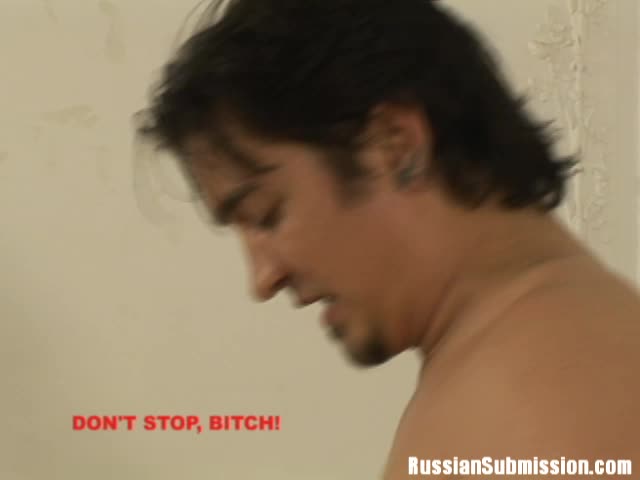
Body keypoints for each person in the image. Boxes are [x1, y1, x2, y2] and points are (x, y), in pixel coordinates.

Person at [135, 0, 640, 477]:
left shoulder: (546, 407)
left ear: (395, 145)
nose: (263, 279)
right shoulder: (540, 354)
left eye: (266, 215)